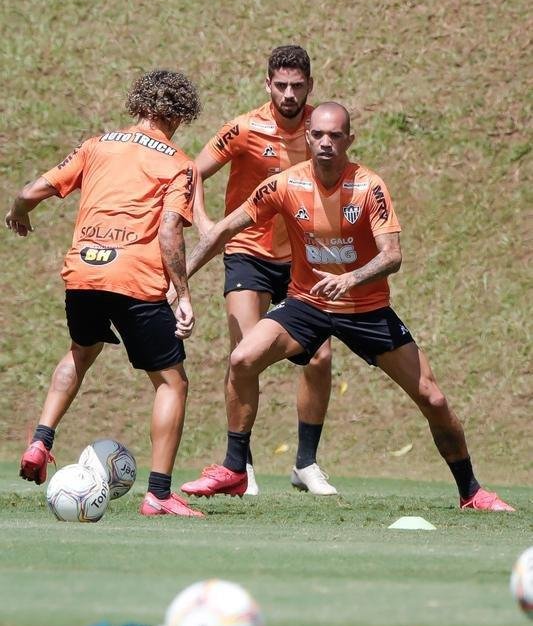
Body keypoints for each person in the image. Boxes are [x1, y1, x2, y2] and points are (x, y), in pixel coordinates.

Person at [180, 102, 515, 512]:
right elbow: (224, 231)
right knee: (243, 358)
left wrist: (351, 278)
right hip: (307, 304)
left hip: (366, 308)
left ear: (349, 140)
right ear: (308, 138)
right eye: (318, 135)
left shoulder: (368, 186)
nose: (325, 142)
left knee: (433, 399)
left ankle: (471, 492)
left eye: (335, 136)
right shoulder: (285, 184)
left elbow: (392, 255)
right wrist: (180, 286)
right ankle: (235, 468)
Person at [5, 70, 205, 518]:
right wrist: (183, 293)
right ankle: (158, 493)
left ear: (139, 106)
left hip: (82, 274)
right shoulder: (178, 163)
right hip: (133, 278)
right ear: (181, 114)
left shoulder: (97, 145)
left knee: (81, 349)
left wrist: (19, 211)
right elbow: (170, 230)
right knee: (172, 382)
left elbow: (32, 190)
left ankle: (41, 439)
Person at [190, 45, 335, 496]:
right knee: (245, 357)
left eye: (297, 86)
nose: (289, 94)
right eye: (280, 85)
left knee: (320, 358)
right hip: (247, 255)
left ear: (310, 86)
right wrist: (205, 223)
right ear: (267, 84)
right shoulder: (243, 128)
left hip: (301, 262)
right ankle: (242, 465)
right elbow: (191, 173)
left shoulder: (321, 130)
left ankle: (305, 464)